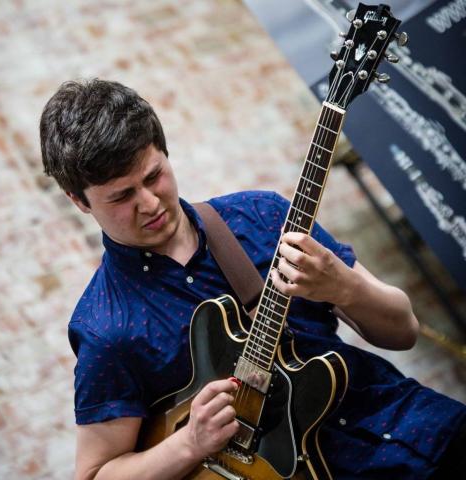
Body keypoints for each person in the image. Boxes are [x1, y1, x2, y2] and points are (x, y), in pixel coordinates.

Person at [40, 79, 465, 480]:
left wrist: (345, 287)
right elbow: (96, 473)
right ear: (79, 201)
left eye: (153, 176)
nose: (149, 203)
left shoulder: (262, 216)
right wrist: (189, 443)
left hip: (418, 426)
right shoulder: (106, 326)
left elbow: (403, 331)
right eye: (122, 196)